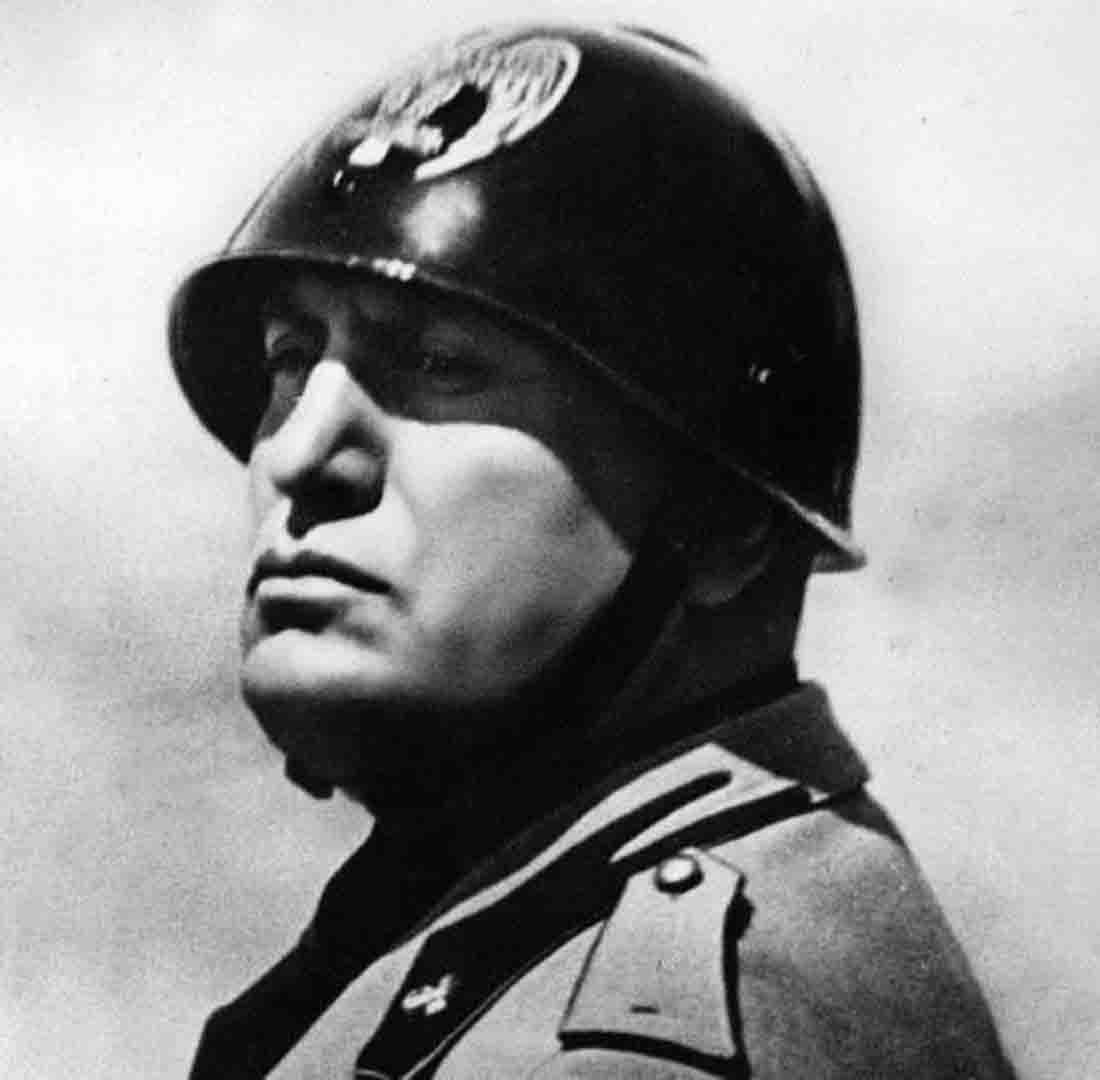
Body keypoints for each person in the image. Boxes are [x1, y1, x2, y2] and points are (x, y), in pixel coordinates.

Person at [169, 21, 1016, 1079]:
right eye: (291, 359)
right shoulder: (499, 933)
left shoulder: (639, 1051)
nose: (301, 455)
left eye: (441, 364)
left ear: (722, 520)